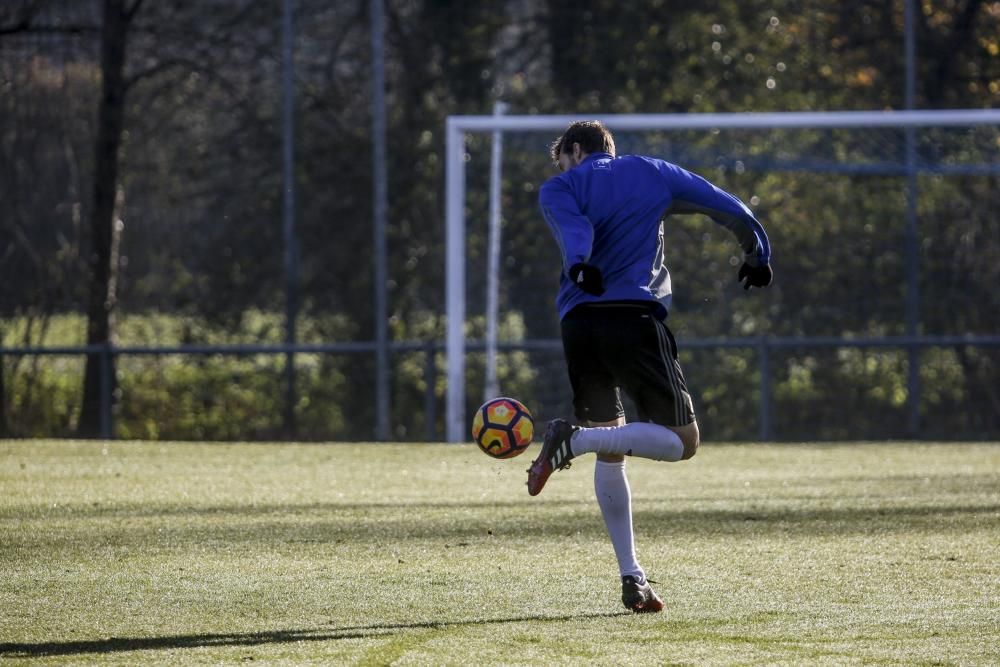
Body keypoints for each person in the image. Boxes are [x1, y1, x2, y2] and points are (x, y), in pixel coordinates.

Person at [526, 120, 772, 613]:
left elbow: (575, 234)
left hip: (579, 326)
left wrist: (579, 264)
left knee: (612, 448)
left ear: (575, 150)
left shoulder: (559, 187)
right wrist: (757, 251)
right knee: (684, 442)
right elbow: (726, 205)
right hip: (632, 322)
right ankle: (573, 439)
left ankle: (632, 577)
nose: (561, 168)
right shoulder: (652, 172)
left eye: (562, 158)